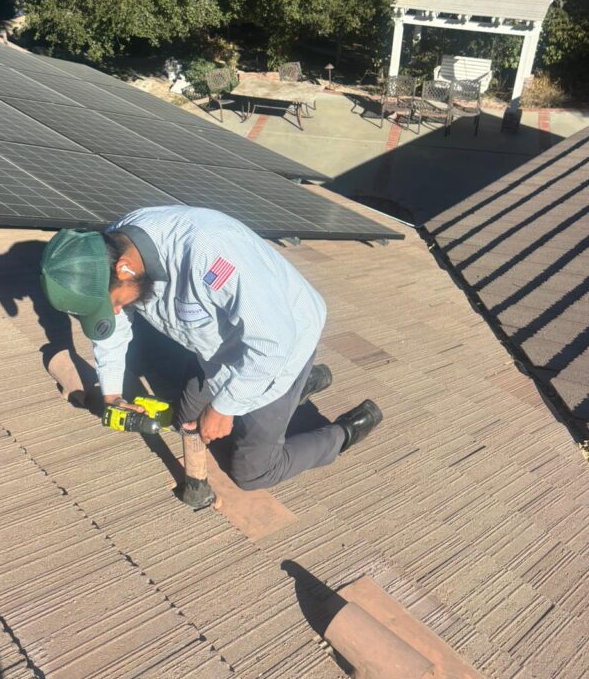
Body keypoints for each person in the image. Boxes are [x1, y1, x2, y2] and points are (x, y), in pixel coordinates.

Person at [40, 206, 382, 491]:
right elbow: (110, 331)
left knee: (253, 472)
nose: (115, 311)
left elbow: (273, 343)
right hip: (218, 349)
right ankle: (297, 391)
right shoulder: (115, 247)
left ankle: (343, 432)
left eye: (113, 303)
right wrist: (112, 393)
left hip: (281, 346)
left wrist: (224, 407)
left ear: (123, 268)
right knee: (187, 421)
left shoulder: (210, 255)